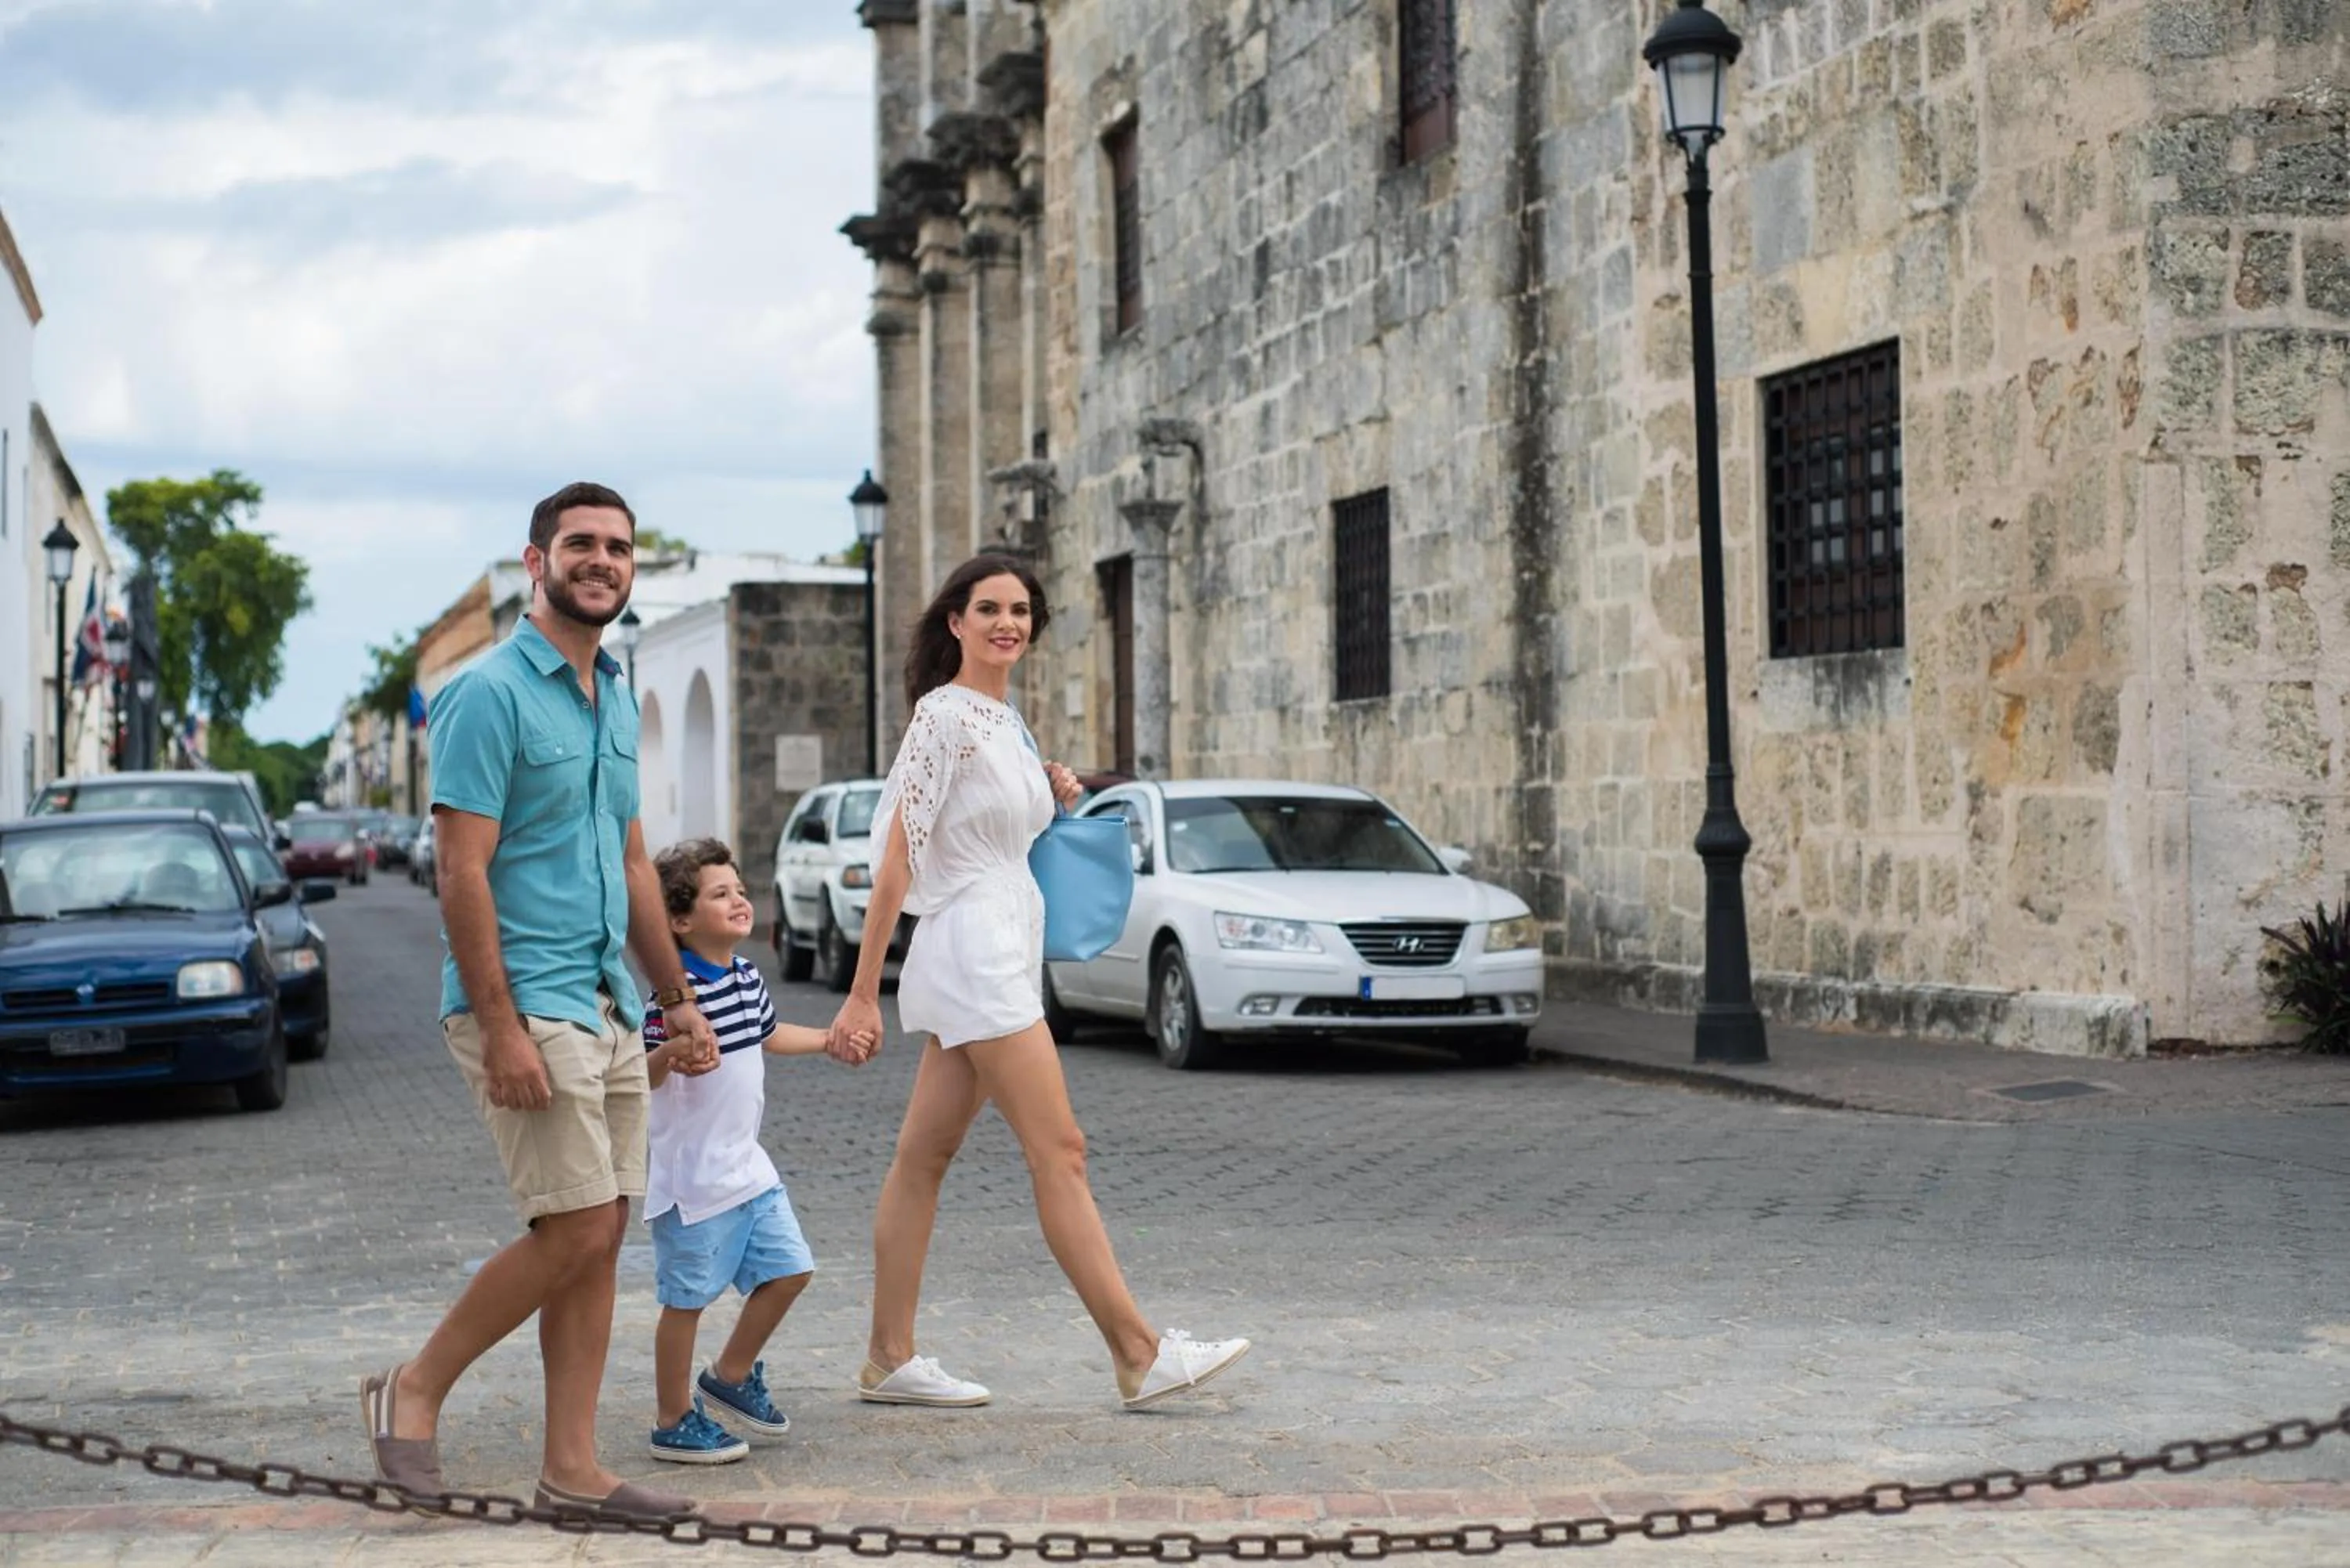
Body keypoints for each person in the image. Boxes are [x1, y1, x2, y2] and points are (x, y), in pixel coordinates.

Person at [360, 482, 721, 1523]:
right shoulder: (489, 694)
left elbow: (634, 857)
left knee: (602, 1230)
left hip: (606, 1003)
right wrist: (504, 1022)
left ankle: (573, 1468)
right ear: (535, 561)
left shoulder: (610, 690)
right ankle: (414, 1387)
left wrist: (675, 996)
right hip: (527, 1001)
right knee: (570, 1229)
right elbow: (461, 871)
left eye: (618, 546)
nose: (601, 559)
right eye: (580, 544)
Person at [825, 553, 1250, 1411]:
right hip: (976, 946)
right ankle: (1138, 1352)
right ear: (956, 622)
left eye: (1020, 611)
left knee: (923, 1156)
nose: (1005, 624)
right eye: (987, 609)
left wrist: (1052, 789)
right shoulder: (943, 716)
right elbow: (900, 855)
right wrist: (864, 990)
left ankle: (887, 1356)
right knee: (1061, 1149)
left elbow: (990, 822)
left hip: (1002, 939)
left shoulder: (1002, 719)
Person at [638, 836, 874, 1465]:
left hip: (748, 1170)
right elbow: (641, 1073)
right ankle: (671, 1418)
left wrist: (829, 1039)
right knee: (685, 1301)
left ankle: (731, 1376)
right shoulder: (674, 995)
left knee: (791, 1269)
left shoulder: (745, 976)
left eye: (740, 889)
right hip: (693, 1186)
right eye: (721, 895)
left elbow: (768, 1036)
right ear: (680, 922)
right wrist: (669, 1056)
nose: (740, 900)